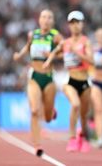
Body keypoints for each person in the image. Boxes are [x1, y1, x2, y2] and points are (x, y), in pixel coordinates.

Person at [13, 9, 63, 156]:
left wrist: (53, 55)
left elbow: (66, 49)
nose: (46, 20)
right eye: (43, 17)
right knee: (34, 111)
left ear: (52, 21)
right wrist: (20, 55)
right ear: (39, 20)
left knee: (47, 118)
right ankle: (37, 144)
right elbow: (28, 47)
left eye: (49, 17)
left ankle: (51, 111)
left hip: (48, 78)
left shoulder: (55, 36)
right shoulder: (32, 34)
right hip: (34, 76)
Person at [46, 10, 93, 152]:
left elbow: (91, 61)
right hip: (70, 81)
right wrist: (49, 58)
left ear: (82, 24)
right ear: (69, 26)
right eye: (72, 23)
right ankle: (72, 138)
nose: (75, 26)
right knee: (75, 104)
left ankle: (82, 138)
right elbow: (56, 53)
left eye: (77, 22)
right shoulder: (65, 42)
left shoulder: (86, 41)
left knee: (84, 115)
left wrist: (77, 52)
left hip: (85, 82)